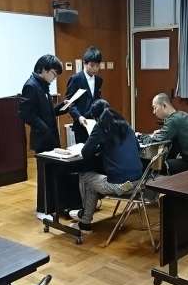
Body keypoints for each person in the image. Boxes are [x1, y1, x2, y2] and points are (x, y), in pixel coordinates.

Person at [69, 99, 143, 232]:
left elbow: (85, 152)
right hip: (138, 183)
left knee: (85, 174)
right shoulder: (125, 124)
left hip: (120, 186)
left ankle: (85, 221)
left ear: (97, 117)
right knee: (93, 180)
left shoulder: (101, 126)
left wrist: (98, 147)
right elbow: (137, 148)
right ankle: (85, 217)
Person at [19, 54, 66, 220]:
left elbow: (47, 112)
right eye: (53, 73)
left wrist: (63, 107)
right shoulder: (31, 86)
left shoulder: (43, 85)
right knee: (44, 176)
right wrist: (44, 127)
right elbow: (26, 114)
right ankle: (42, 210)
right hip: (42, 138)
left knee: (53, 173)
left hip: (50, 137)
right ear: (44, 70)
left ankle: (54, 206)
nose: (54, 78)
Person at [151, 93, 188, 174]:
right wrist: (162, 132)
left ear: (164, 105)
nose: (154, 112)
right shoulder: (183, 114)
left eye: (155, 108)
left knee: (157, 165)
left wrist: (141, 136)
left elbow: (157, 140)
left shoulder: (173, 120)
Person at [66, 46, 103, 143]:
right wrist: (79, 117)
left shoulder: (99, 80)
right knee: (83, 151)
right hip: (81, 124)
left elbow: (97, 99)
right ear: (85, 63)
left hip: (95, 123)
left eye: (97, 66)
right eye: (92, 65)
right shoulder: (75, 79)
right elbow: (70, 103)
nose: (95, 69)